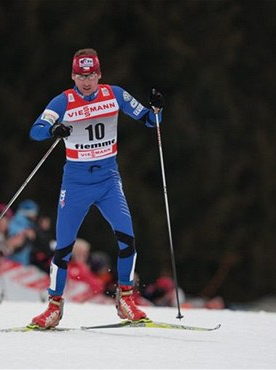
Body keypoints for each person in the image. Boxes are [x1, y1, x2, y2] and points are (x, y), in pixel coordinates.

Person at [28, 48, 164, 328]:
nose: (86, 81)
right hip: (76, 184)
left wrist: (157, 109)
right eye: (80, 76)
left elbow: (151, 121)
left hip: (107, 182)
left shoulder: (114, 94)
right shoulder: (63, 101)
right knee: (63, 248)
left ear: (99, 74)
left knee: (128, 239)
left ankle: (125, 298)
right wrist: (54, 130)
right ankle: (53, 307)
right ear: (73, 76)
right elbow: (36, 130)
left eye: (90, 75)